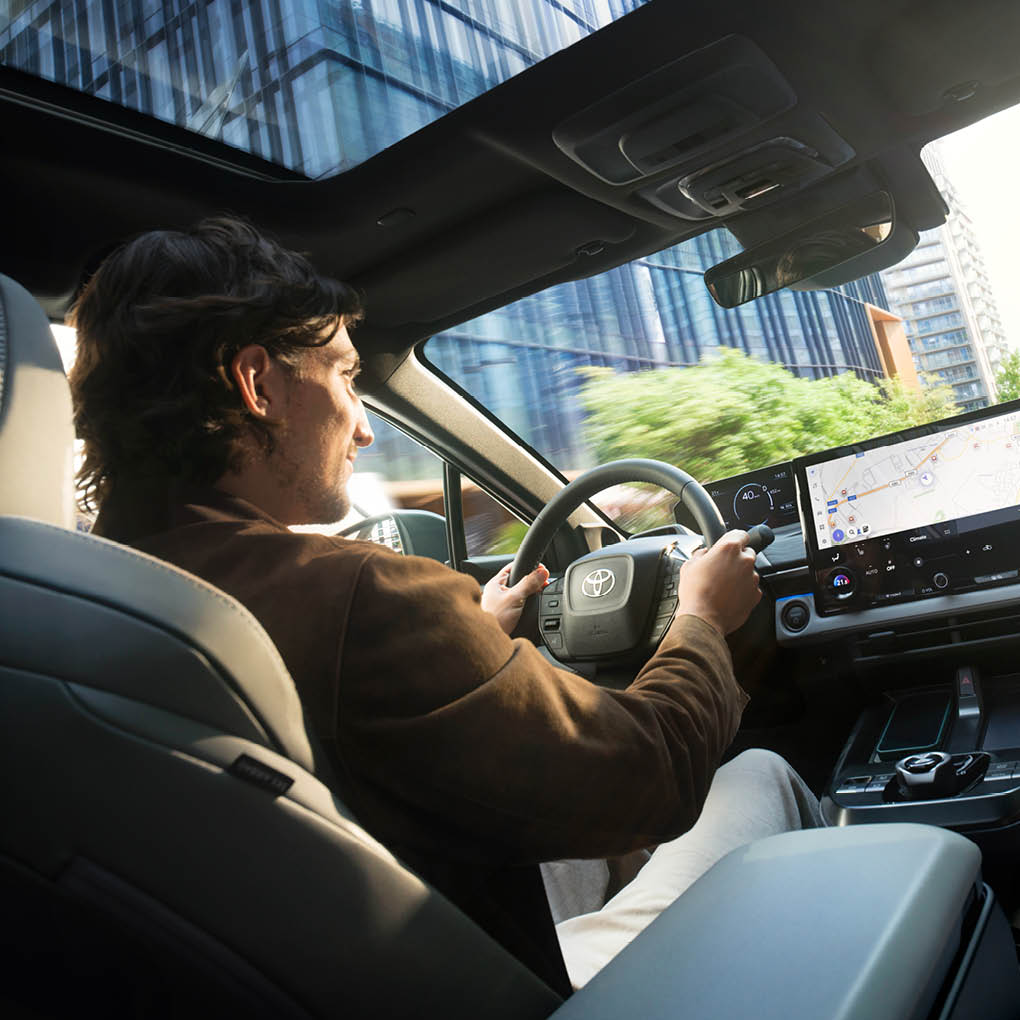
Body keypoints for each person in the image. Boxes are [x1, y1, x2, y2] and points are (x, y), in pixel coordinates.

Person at [68, 216, 819, 995]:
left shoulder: (80, 597)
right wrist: (703, 618)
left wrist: (468, 638)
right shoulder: (362, 598)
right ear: (258, 385)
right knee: (759, 776)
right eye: (346, 377)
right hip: (480, 987)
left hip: (328, 962)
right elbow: (649, 773)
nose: (364, 428)